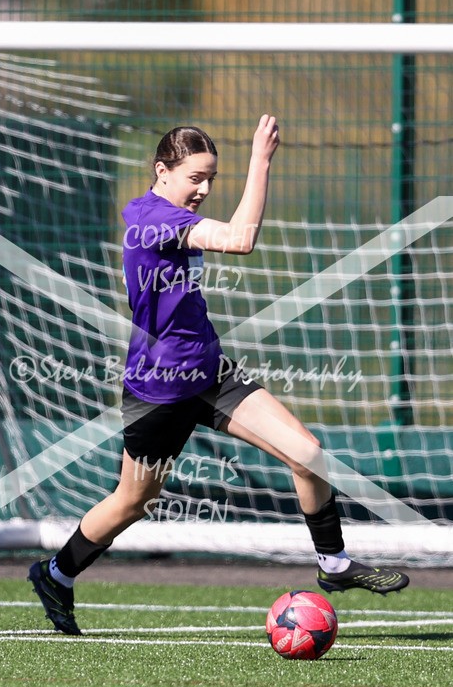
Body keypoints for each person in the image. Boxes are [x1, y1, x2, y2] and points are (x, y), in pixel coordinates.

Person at [28, 114, 409, 635]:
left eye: (212, 179)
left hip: (210, 374)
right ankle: (56, 572)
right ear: (162, 171)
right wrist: (260, 160)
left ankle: (333, 564)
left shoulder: (171, 211)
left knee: (308, 453)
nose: (204, 189)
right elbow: (239, 239)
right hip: (158, 390)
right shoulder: (151, 218)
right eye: (195, 178)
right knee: (132, 501)